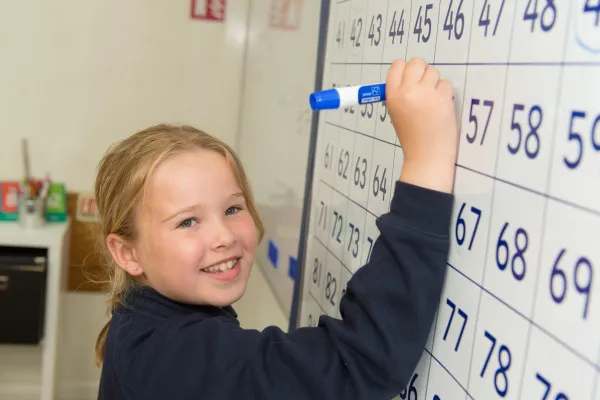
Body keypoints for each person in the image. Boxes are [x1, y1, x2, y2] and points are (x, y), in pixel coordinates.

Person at [94, 57, 459, 399]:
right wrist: (426, 161)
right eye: (188, 221)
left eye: (233, 208)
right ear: (128, 253)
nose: (224, 236)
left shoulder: (145, 322)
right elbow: (358, 363)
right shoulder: (173, 355)